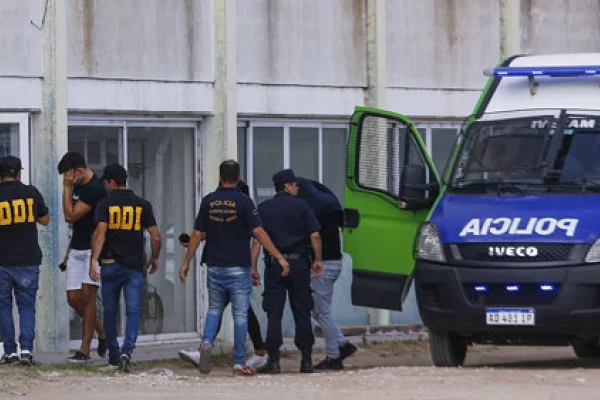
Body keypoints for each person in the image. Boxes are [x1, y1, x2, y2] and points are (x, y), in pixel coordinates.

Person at [179, 160, 288, 376]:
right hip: (239, 266)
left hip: (215, 266)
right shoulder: (245, 202)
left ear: (220, 177)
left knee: (214, 309)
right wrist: (279, 257)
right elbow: (258, 232)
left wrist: (186, 262)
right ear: (238, 178)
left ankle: (207, 343)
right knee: (240, 315)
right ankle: (239, 363)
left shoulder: (209, 201)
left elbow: (198, 234)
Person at [89, 164, 161, 372]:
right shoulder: (142, 205)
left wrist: (93, 261)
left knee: (110, 312)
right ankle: (126, 351)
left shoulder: (105, 204)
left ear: (111, 182)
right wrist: (154, 258)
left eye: (106, 182)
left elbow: (100, 234)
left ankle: (113, 356)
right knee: (133, 311)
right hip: (134, 267)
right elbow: (156, 237)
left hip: (110, 265)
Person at [252, 169, 323, 374]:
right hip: (300, 265)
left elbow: (257, 241)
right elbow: (315, 236)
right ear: (287, 186)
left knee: (274, 312)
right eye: (295, 185)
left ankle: (273, 361)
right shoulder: (302, 207)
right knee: (302, 310)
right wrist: (318, 260)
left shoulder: (264, 208)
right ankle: (307, 361)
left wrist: (254, 267)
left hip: (275, 265)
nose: (297, 188)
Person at [296, 177, 357, 370]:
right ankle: (341, 343)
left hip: (324, 266)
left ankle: (333, 357)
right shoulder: (327, 207)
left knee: (322, 312)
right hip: (333, 264)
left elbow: (312, 238)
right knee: (316, 309)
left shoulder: (314, 214)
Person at [57, 152, 107, 363]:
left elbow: (70, 216)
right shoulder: (77, 186)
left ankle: (85, 350)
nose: (67, 180)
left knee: (88, 299)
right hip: (76, 248)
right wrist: (67, 254)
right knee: (73, 298)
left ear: (77, 171)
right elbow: (76, 225)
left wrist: (67, 189)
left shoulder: (95, 189)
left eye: (68, 176)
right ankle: (102, 333)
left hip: (92, 250)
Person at [0, 156, 49, 366]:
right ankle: (27, 350)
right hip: (28, 260)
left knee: (3, 306)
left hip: (2, 260)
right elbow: (45, 219)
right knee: (27, 307)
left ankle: (10, 351)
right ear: (19, 173)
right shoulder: (31, 193)